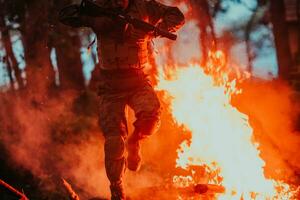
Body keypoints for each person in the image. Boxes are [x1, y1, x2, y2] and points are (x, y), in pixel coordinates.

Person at [59, 0, 184, 199]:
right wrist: (90, 16)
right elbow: (65, 15)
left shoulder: (145, 7)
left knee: (151, 117)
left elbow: (177, 16)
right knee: (114, 142)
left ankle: (135, 142)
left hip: (137, 80)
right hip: (110, 87)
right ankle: (117, 188)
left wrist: (157, 30)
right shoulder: (98, 8)